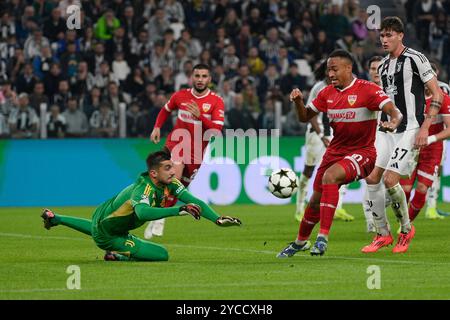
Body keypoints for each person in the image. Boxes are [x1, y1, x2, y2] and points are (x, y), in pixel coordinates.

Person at [277, 49, 402, 257]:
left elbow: (391, 108)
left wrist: (395, 120)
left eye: (334, 69)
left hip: (363, 153)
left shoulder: (367, 89)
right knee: (315, 200)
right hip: (335, 152)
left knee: (330, 177)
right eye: (328, 70)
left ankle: (322, 239)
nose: (330, 74)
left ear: (348, 68)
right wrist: (299, 101)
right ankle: (300, 242)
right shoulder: (326, 93)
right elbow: (305, 117)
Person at [41, 150, 241, 262]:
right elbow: (143, 212)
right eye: (167, 168)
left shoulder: (170, 182)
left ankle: (55, 218)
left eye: (172, 166)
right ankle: (117, 255)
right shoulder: (143, 190)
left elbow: (193, 201)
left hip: (102, 218)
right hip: (108, 234)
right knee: (162, 254)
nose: (173, 172)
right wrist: (178, 210)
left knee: (99, 226)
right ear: (154, 173)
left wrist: (216, 218)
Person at [362, 16, 443, 254]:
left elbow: (436, 93)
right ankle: (382, 234)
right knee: (372, 177)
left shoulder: (416, 58)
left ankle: (406, 230)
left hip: (410, 128)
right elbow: (387, 101)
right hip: (389, 129)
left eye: (388, 35)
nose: (384, 40)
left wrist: (426, 128)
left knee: (390, 179)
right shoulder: (385, 66)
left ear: (400, 36)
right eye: (382, 36)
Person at [146, 64, 225, 239]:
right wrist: (157, 127)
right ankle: (159, 219)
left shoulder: (216, 101)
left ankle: (158, 214)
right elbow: (166, 109)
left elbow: (216, 130)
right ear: (192, 77)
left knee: (179, 187)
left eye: (204, 76)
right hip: (177, 143)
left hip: (197, 151)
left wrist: (200, 117)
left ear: (209, 79)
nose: (200, 79)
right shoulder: (181, 95)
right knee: (174, 173)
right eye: (197, 75)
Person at [295, 60, 353, 223]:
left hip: (335, 135)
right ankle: (300, 208)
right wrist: (322, 136)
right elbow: (310, 114)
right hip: (316, 136)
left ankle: (338, 208)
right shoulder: (318, 87)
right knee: (309, 171)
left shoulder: (343, 87)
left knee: (340, 170)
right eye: (330, 70)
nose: (332, 73)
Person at [400, 89, 450, 224]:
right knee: (405, 190)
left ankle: (407, 224)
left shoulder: (442, 98)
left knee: (422, 188)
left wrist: (430, 139)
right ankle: (403, 220)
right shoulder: (408, 95)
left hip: (432, 149)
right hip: (410, 147)